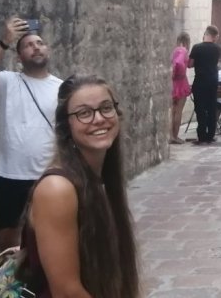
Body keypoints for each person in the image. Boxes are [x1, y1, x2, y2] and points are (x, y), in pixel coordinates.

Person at [17, 75, 139, 298]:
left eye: (106, 108)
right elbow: (66, 292)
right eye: (84, 113)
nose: (99, 119)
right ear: (66, 126)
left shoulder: (99, 180)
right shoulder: (57, 189)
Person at [0, 17, 64, 252]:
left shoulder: (61, 88)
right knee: (7, 244)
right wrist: (4, 42)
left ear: (48, 50)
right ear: (19, 57)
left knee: (49, 238)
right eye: (28, 45)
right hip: (10, 176)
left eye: (40, 43)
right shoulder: (8, 82)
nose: (36, 47)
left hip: (48, 176)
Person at [187, 25, 221, 145]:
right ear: (215, 36)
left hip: (200, 81)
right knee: (212, 108)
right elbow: (217, 62)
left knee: (200, 109)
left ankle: (201, 135)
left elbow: (190, 64)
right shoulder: (217, 48)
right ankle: (210, 135)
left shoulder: (197, 47)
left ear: (205, 34)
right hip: (213, 81)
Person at [169, 32, 191, 145]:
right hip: (181, 83)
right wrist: (179, 74)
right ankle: (175, 136)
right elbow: (178, 63)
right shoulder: (183, 50)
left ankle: (170, 135)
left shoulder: (174, 51)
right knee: (178, 111)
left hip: (173, 84)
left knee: (172, 111)